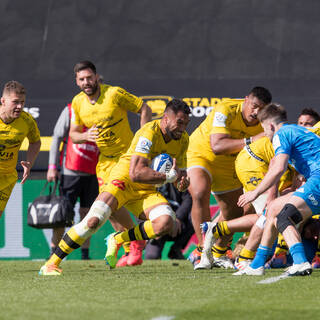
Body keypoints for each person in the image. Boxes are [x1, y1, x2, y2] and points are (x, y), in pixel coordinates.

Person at [39, 99, 190, 275]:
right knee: (92, 221)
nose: (182, 128)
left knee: (165, 223)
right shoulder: (148, 133)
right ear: (165, 118)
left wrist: (181, 183)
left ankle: (118, 239)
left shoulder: (183, 140)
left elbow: (178, 174)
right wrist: (166, 177)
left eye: (186, 123)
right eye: (179, 122)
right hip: (123, 182)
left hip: (147, 191)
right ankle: (51, 264)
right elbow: (136, 173)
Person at [187, 87, 272, 269]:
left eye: (261, 109)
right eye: (254, 106)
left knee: (233, 213)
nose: (256, 112)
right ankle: (203, 251)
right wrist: (253, 139)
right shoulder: (225, 109)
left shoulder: (265, 122)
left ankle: (218, 251)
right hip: (203, 155)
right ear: (246, 99)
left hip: (231, 164)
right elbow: (217, 145)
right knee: (199, 191)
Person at [237, 103, 320, 276]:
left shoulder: (280, 134)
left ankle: (299, 261)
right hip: (315, 180)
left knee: (284, 216)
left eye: (264, 130)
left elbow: (278, 168)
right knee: (273, 208)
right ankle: (257, 265)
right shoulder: (295, 130)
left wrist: (255, 192)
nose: (265, 134)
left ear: (270, 126)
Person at [195, 135, 295, 270]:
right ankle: (242, 257)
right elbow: (275, 165)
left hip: (255, 160)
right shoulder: (309, 139)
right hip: (254, 161)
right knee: (268, 216)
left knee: (260, 212)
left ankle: (219, 251)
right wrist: (270, 195)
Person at [46, 102, 99, 259]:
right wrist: (52, 166)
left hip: (94, 172)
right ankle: (53, 253)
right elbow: (57, 137)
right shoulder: (71, 109)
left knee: (88, 216)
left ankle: (84, 254)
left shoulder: (107, 112)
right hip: (70, 171)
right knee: (62, 215)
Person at [0, 80, 41, 217]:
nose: (19, 106)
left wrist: (29, 162)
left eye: (22, 102)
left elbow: (35, 142)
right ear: (3, 101)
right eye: (15, 102)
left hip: (7, 178)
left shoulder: (27, 121)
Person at [144, 183, 193, 260]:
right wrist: (149, 229)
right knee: (151, 256)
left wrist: (177, 218)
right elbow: (140, 209)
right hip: (156, 225)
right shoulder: (145, 183)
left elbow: (188, 199)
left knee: (195, 215)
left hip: (178, 225)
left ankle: (176, 249)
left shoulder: (177, 179)